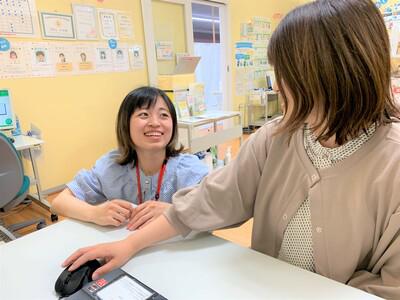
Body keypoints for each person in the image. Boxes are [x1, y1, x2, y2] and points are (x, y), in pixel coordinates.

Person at [63, 1, 400, 298]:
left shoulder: (392, 162)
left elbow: (391, 287)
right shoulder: (276, 137)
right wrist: (129, 244)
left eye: (285, 73)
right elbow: (210, 199)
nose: (277, 84)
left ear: (330, 75)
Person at [52, 86, 208, 229]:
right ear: (125, 124)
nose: (155, 123)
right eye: (144, 114)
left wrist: (173, 211)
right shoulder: (111, 166)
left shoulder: (188, 168)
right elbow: (60, 202)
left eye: (164, 115)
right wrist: (95, 213)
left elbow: (216, 209)